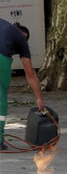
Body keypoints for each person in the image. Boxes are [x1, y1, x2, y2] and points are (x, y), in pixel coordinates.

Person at [0, 18, 45, 150]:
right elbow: (30, 74)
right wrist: (39, 99)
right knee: (0, 99)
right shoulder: (21, 39)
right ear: (25, 36)